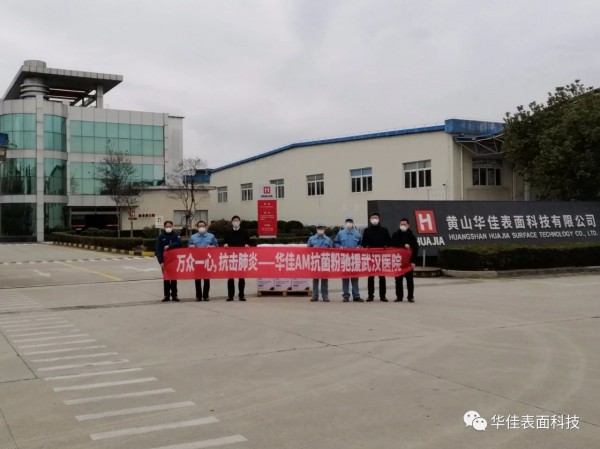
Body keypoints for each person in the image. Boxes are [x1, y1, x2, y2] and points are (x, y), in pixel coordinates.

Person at [361, 212, 391, 302]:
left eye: (376, 218)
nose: (374, 219)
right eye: (373, 218)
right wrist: (366, 246)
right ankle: (370, 295)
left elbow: (389, 241)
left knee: (382, 277)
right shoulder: (367, 230)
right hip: (371, 256)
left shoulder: (384, 230)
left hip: (382, 256)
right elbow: (363, 242)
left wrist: (386, 245)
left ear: (379, 219)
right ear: (370, 220)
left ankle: (383, 296)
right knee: (371, 277)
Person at [188, 220, 218, 301]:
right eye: (200, 226)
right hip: (197, 260)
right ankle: (198, 296)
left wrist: (211, 247)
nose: (201, 227)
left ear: (206, 227)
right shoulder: (193, 237)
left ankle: (206, 296)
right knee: (197, 279)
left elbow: (216, 246)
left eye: (203, 226)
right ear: (197, 228)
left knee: (206, 279)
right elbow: (189, 246)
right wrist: (191, 247)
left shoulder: (211, 236)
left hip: (207, 260)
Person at [390, 217, 419, 303]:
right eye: (401, 224)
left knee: (409, 280)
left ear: (408, 225)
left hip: (408, 262)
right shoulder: (395, 234)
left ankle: (410, 297)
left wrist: (413, 261)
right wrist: (403, 245)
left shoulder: (412, 236)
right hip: (398, 261)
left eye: (404, 224)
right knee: (398, 280)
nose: (403, 226)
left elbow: (415, 249)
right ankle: (399, 296)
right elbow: (392, 244)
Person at [334, 217, 362, 302]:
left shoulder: (357, 233)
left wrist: (359, 247)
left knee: (355, 277)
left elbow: (361, 243)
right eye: (347, 221)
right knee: (345, 278)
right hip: (344, 258)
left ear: (353, 223)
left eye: (350, 221)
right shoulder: (341, 233)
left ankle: (356, 295)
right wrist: (339, 247)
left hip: (354, 258)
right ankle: (346, 295)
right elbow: (335, 243)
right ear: (345, 223)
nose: (349, 223)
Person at [223, 215, 251, 301]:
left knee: (241, 277)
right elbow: (224, 242)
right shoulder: (228, 232)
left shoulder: (244, 232)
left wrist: (247, 245)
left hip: (241, 257)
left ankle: (241, 295)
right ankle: (230, 295)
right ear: (232, 222)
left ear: (240, 222)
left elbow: (249, 241)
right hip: (231, 257)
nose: (236, 222)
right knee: (230, 277)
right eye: (234, 220)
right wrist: (225, 244)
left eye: (237, 220)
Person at [155, 220, 182, 302]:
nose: (169, 228)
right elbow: (158, 250)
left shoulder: (176, 235)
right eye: (167, 226)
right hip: (165, 261)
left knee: (174, 279)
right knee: (166, 279)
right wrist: (161, 262)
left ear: (172, 227)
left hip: (174, 261)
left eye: (170, 226)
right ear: (164, 227)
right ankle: (166, 295)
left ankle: (174, 295)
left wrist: (170, 246)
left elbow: (180, 244)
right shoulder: (161, 237)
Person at [307, 223, 334, 302]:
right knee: (315, 280)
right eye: (319, 228)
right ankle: (315, 296)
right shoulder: (311, 239)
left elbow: (332, 251)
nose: (320, 230)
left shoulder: (328, 240)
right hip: (315, 262)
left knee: (324, 280)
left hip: (325, 262)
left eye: (322, 228)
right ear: (316, 229)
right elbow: (308, 250)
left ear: (324, 229)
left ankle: (325, 296)